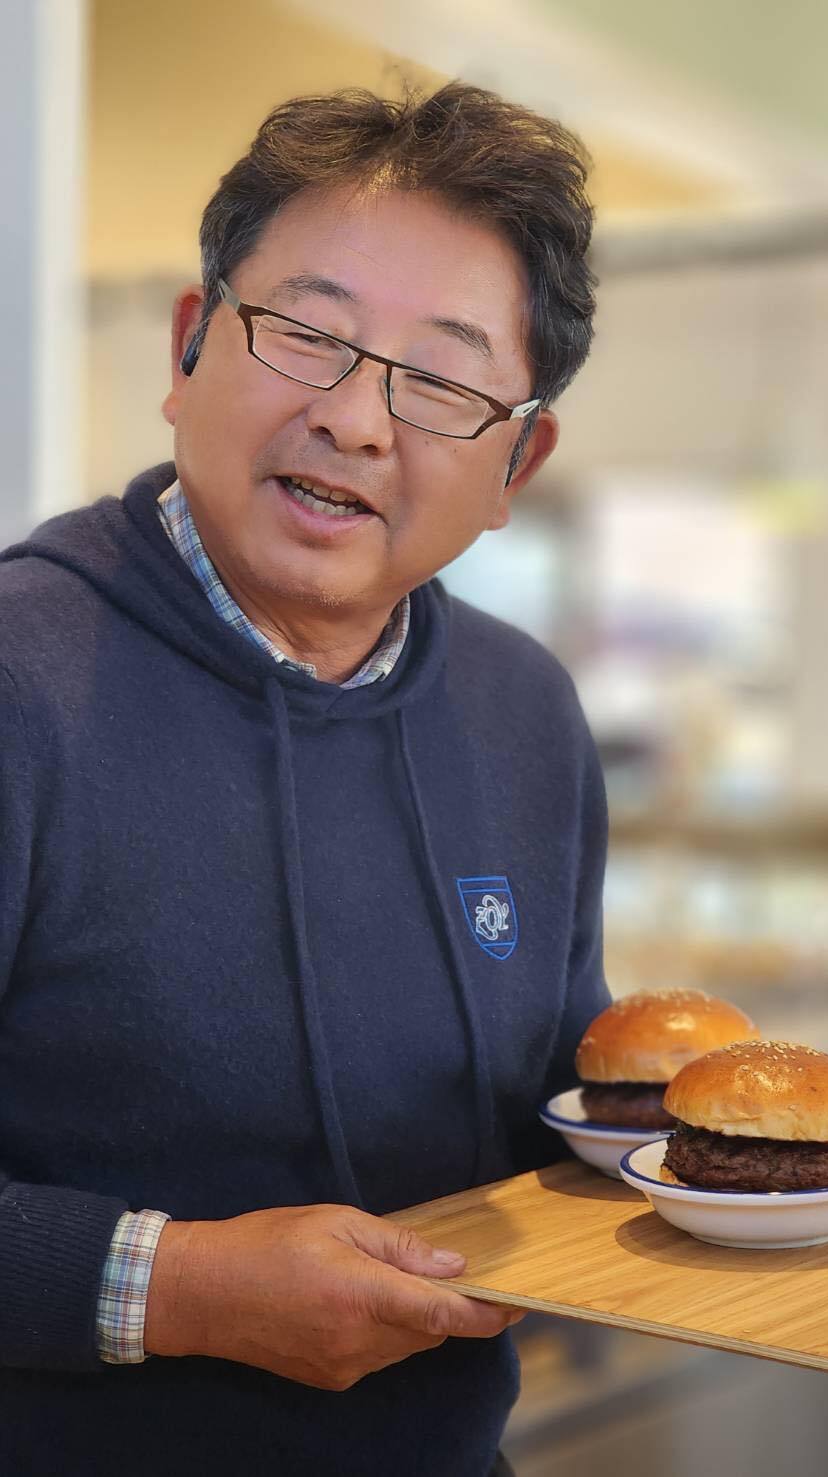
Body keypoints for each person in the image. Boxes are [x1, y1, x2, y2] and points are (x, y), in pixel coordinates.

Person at [0, 83, 607, 1476]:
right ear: (189, 342)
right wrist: (180, 1290)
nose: (356, 420)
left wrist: (721, 1130)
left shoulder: (525, 709)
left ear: (516, 462)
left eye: (442, 381)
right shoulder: (23, 682)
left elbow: (563, 1088)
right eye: (310, 333)